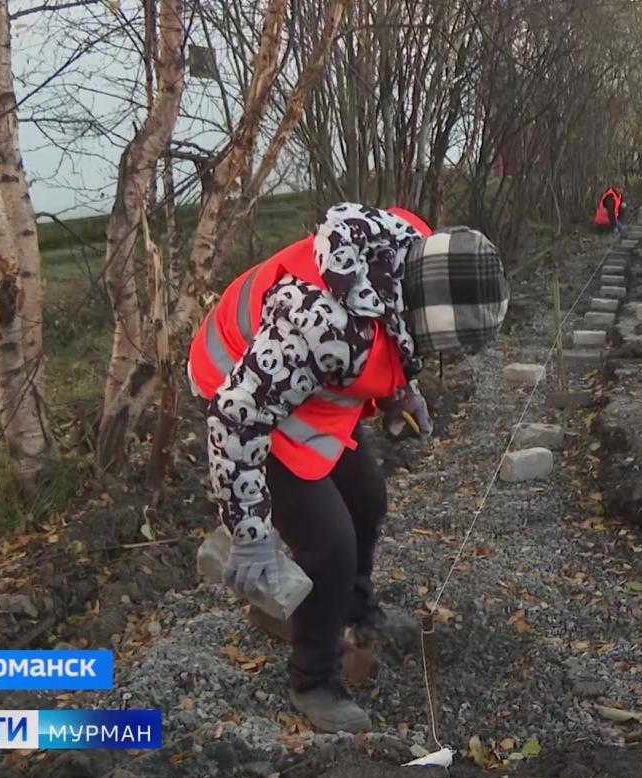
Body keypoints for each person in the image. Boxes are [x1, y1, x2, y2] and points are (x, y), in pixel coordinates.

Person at [187, 203, 508, 733]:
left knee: (366, 497)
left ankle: (355, 610)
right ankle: (314, 679)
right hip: (236, 386)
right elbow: (235, 414)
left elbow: (399, 331)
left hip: (296, 385)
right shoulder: (328, 328)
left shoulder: (412, 249)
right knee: (329, 542)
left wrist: (401, 390)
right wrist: (250, 531)